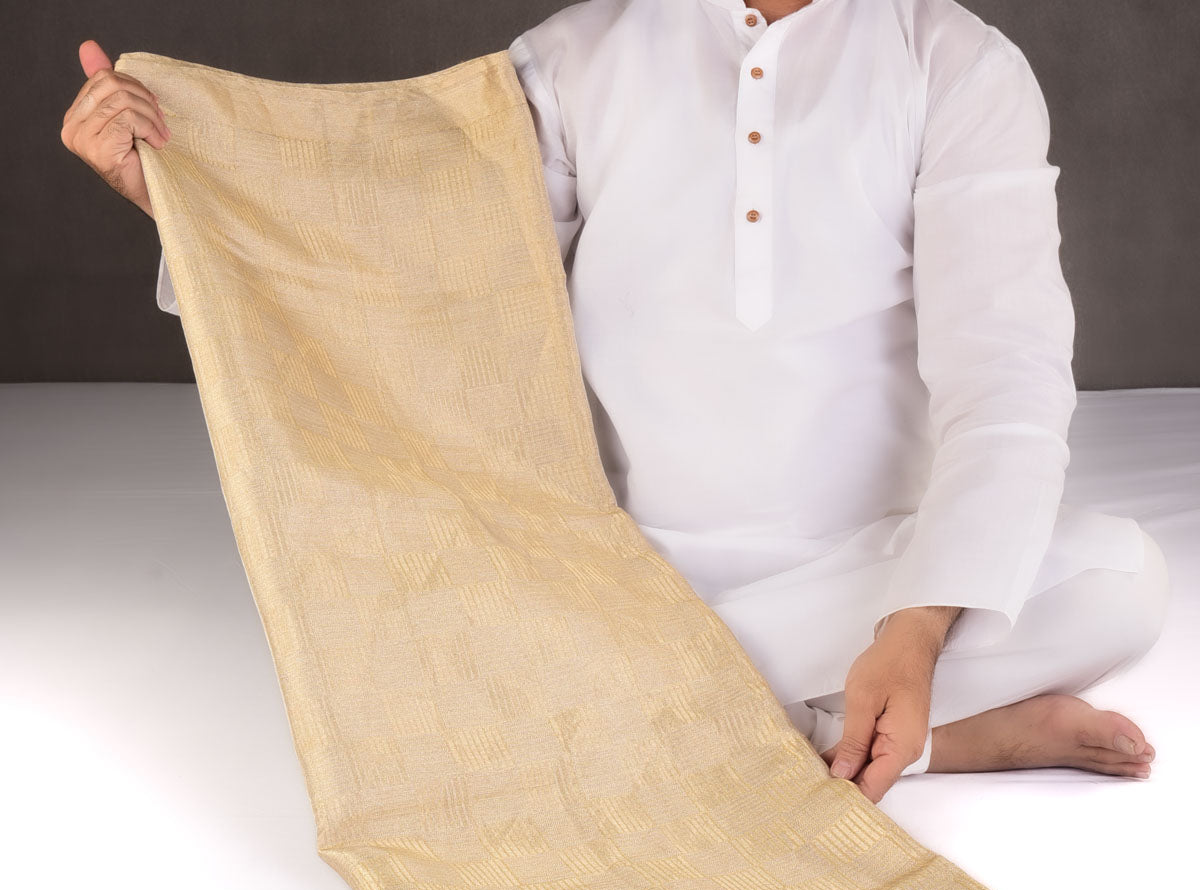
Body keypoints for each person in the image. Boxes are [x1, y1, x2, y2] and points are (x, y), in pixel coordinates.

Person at [61, 1, 1169, 806]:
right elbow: (423, 282)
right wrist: (179, 201)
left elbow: (1008, 371)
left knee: (1119, 581)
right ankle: (929, 742)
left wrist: (915, 629)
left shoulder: (958, 63)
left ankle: (739, 720)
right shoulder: (573, 58)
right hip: (618, 576)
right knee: (437, 652)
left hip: (872, 579)